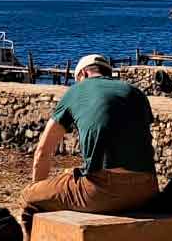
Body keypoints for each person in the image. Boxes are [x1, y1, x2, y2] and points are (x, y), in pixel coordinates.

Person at [20, 55, 157, 239]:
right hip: (147, 189)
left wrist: (40, 187)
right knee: (71, 175)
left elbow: (42, 152)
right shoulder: (135, 93)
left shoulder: (76, 91)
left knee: (29, 197)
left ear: (83, 74)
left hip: (102, 191)